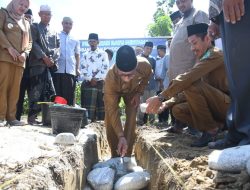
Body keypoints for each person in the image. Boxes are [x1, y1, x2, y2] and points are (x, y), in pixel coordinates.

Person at [146, 23, 230, 147]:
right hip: (216, 106)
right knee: (177, 110)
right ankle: (217, 127)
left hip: (228, 107)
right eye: (190, 44)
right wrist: (166, 103)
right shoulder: (203, 57)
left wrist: (160, 97)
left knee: (190, 83)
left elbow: (188, 80)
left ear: (207, 39)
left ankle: (211, 130)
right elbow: (191, 92)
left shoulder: (215, 54)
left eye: (194, 43)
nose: (192, 48)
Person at [208, 0, 250, 149]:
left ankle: (247, 136)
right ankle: (238, 134)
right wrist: (215, 18)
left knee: (245, 72)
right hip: (223, 9)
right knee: (236, 77)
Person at [167, 0, 209, 132]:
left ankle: (197, 128)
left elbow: (204, 42)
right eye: (178, 3)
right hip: (177, 69)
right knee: (179, 98)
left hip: (190, 66)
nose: (181, 5)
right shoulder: (180, 22)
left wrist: (198, 64)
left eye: (183, 2)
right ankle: (179, 125)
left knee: (193, 97)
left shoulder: (198, 14)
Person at [104, 45, 152, 157]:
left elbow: (147, 78)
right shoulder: (110, 78)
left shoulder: (145, 65)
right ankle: (115, 153)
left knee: (132, 115)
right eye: (123, 75)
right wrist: (120, 136)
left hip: (132, 92)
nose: (126, 78)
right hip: (115, 91)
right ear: (117, 69)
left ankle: (127, 153)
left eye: (130, 74)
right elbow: (113, 109)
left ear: (136, 66)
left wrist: (138, 93)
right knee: (110, 117)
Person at [0, 0, 32, 127]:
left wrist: (25, 53)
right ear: (13, 3)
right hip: (5, 57)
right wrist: (8, 47)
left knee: (15, 89)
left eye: (26, 6)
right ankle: (1, 117)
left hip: (19, 61)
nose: (23, 7)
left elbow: (29, 42)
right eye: (21, 4)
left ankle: (11, 118)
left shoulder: (26, 22)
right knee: (2, 86)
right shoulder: (3, 13)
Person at [28, 5, 59, 125]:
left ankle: (44, 118)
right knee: (35, 90)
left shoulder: (54, 32)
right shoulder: (34, 27)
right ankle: (31, 117)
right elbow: (33, 44)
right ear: (39, 14)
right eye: (44, 14)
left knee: (48, 91)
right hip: (37, 64)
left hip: (49, 66)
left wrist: (52, 59)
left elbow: (58, 48)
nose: (46, 16)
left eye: (49, 14)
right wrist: (44, 57)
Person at [81, 33, 109, 122]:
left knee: (100, 108)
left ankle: (99, 127)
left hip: (100, 83)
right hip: (88, 83)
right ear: (88, 43)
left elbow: (105, 67)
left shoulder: (103, 54)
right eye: (90, 41)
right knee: (88, 108)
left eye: (94, 41)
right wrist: (90, 79)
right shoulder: (85, 55)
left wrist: (96, 79)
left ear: (98, 42)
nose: (92, 43)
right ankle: (87, 123)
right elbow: (82, 68)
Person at [53, 17, 80, 106]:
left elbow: (77, 55)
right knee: (58, 95)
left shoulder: (75, 39)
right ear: (62, 23)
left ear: (72, 25)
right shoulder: (56, 35)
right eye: (66, 23)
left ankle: (69, 117)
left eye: (70, 24)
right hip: (58, 69)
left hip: (70, 70)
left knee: (69, 94)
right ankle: (57, 116)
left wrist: (77, 69)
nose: (68, 25)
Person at [16, 8, 33, 121]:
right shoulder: (19, 29)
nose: (27, 18)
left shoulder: (34, 30)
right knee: (19, 95)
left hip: (33, 70)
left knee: (33, 96)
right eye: (25, 16)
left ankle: (31, 118)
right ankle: (16, 117)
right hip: (20, 68)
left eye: (29, 17)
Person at [137, 41, 156, 124]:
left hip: (151, 85)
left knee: (152, 103)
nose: (149, 50)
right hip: (141, 86)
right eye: (147, 48)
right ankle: (140, 121)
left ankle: (152, 121)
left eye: (151, 49)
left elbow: (154, 71)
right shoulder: (138, 58)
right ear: (143, 48)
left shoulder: (153, 59)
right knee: (141, 104)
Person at [155, 45, 170, 123]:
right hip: (158, 84)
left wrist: (161, 82)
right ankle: (160, 119)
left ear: (162, 50)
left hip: (165, 85)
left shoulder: (167, 57)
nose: (158, 52)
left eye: (159, 51)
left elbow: (165, 72)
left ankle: (165, 119)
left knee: (165, 101)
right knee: (159, 101)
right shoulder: (157, 60)